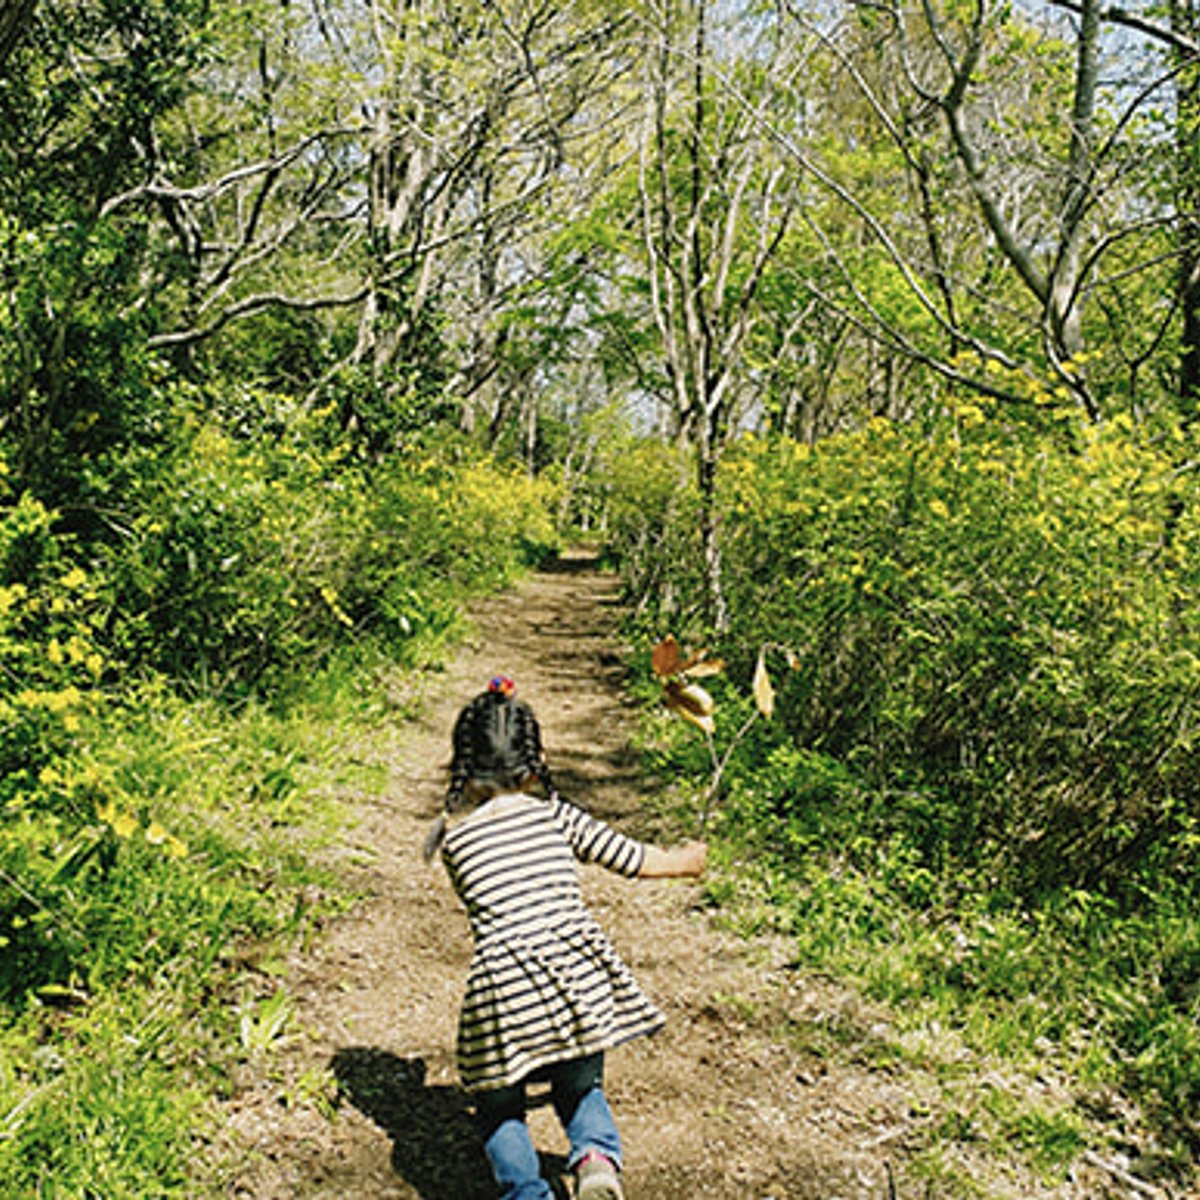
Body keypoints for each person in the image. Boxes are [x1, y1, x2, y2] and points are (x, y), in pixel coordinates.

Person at [423, 675, 707, 1200]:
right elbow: (633, 861)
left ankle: (527, 1192)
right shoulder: (557, 816)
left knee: (499, 1102)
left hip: (503, 989)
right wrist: (685, 862)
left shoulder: (454, 842)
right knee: (579, 1087)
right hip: (577, 977)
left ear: (463, 762)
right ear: (535, 762)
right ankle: (596, 1162)